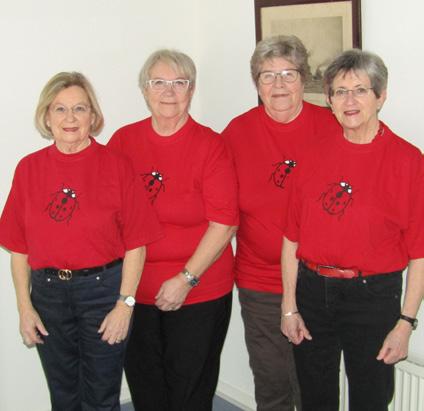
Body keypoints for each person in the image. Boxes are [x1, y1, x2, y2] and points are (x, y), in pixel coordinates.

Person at [0, 72, 162, 411]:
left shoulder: (117, 166)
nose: (70, 118)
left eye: (79, 108)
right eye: (59, 109)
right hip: (48, 296)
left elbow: (137, 243)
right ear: (47, 117)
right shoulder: (28, 169)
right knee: (63, 394)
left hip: (103, 294)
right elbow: (19, 249)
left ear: (93, 116)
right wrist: (24, 308)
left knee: (101, 395)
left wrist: (125, 305)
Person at [281, 49, 424, 411]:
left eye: (360, 90)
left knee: (371, 398)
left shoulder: (407, 161)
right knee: (314, 397)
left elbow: (420, 253)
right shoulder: (311, 155)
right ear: (329, 100)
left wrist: (405, 323)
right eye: (340, 92)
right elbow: (291, 238)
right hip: (312, 291)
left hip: (372, 297)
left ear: (381, 96)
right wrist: (289, 306)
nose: (349, 101)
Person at [107, 49, 239, 411]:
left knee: (189, 393)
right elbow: (106, 214)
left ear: (191, 90)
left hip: (199, 291)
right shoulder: (123, 142)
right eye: (158, 83)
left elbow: (224, 223)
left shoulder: (211, 146)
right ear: (144, 90)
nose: (169, 92)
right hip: (135, 291)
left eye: (179, 83)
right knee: (146, 389)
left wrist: (185, 279)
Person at [222, 35, 339, 411]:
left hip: (317, 281)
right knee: (272, 380)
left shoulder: (332, 127)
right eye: (267, 75)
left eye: (288, 74)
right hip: (260, 281)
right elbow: (219, 206)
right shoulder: (237, 133)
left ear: (304, 78)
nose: (279, 84)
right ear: (256, 83)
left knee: (314, 382)